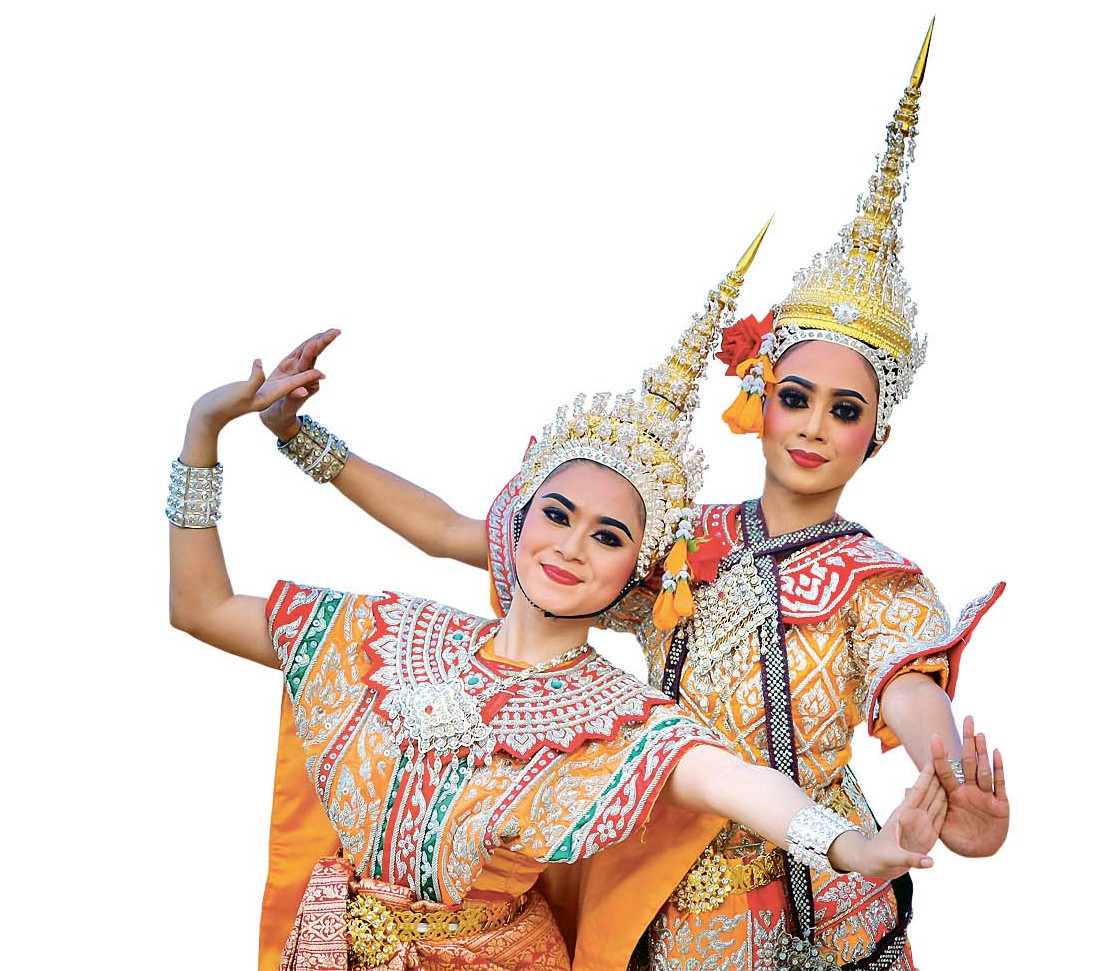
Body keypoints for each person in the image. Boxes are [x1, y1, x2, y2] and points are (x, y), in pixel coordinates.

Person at [257, 26, 1012, 970]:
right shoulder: (671, 544)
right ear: (759, 401)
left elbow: (908, 689)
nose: (814, 426)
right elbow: (453, 531)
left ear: (877, 436)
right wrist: (300, 439)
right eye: (796, 397)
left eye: (845, 410)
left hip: (816, 892)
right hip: (662, 876)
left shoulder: (874, 579)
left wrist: (947, 777)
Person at [166, 234, 960, 971]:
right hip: (592, 901)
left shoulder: (622, 722)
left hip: (782, 894)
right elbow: (424, 534)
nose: (573, 547)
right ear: (517, 523)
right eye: (555, 515)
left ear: (634, 576)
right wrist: (241, 432)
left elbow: (748, 774)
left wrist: (888, 824)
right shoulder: (393, 638)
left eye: (608, 537)